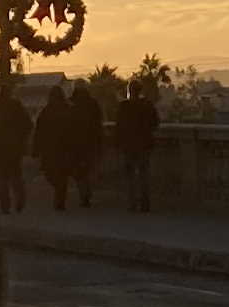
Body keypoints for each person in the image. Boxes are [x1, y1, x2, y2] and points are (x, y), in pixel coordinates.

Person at [0, 79, 32, 213]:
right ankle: (19, 201)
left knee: (1, 177)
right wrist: (22, 140)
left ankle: (5, 205)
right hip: (14, 148)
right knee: (16, 175)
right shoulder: (16, 105)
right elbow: (28, 124)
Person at [115, 78, 160, 212]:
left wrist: (118, 142)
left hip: (128, 146)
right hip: (144, 145)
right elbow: (155, 123)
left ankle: (132, 203)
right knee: (143, 174)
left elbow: (119, 127)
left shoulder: (124, 106)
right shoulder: (147, 105)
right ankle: (145, 203)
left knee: (130, 176)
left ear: (129, 91)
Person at [31, 85, 74, 211]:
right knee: (60, 175)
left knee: (54, 174)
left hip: (53, 149)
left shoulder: (47, 111)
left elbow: (38, 132)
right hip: (61, 148)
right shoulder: (65, 110)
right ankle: (60, 198)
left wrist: (36, 149)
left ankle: (59, 199)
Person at [67, 80, 104, 209]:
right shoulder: (93, 103)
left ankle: (84, 194)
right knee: (88, 169)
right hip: (90, 142)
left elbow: (68, 126)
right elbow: (99, 122)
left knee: (79, 171)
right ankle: (86, 192)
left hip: (76, 143)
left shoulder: (72, 104)